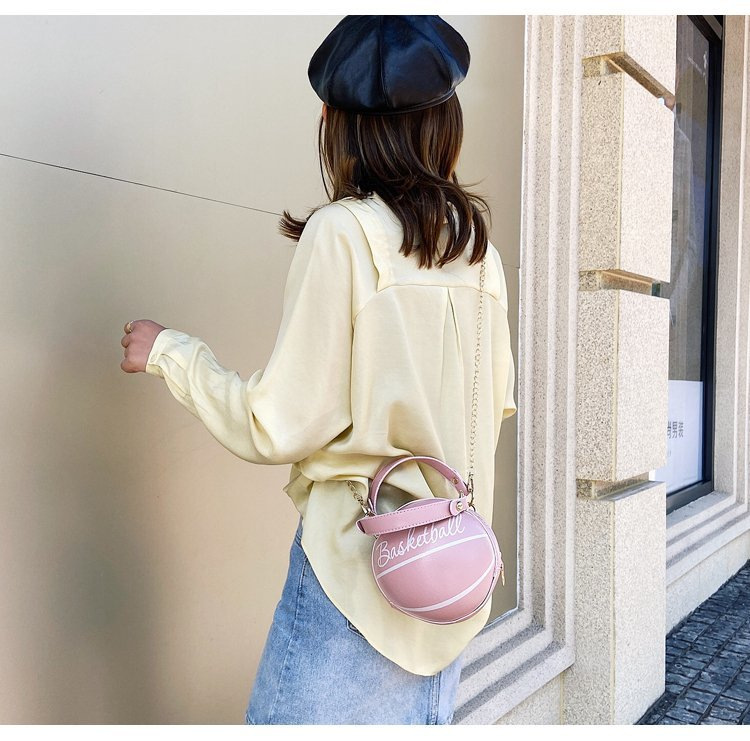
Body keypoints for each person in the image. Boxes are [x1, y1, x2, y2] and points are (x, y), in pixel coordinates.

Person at [119, 15, 516, 725]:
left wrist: (169, 353)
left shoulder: (343, 234)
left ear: (335, 125)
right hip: (452, 577)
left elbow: (277, 424)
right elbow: (496, 408)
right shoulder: (478, 254)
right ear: (445, 126)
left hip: (360, 578)